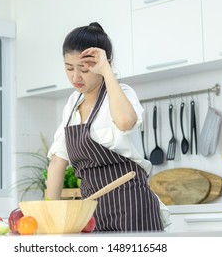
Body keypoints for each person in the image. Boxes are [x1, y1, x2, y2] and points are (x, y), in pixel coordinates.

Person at [46, 22, 165, 232]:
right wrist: (50, 215)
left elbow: (125, 122)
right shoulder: (72, 104)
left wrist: (106, 71)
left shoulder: (121, 93)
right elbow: (58, 161)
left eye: (84, 69)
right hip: (90, 210)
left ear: (103, 64)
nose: (75, 77)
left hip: (132, 206)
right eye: (69, 68)